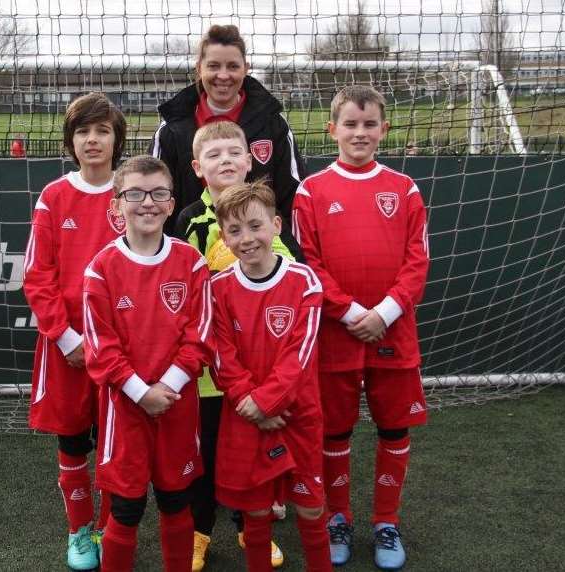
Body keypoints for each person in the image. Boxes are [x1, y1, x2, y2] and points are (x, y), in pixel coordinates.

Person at [291, 85, 430, 570]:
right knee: (336, 431)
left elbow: (418, 261)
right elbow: (309, 264)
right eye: (350, 124)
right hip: (336, 334)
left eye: (369, 124)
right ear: (332, 130)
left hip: (394, 333)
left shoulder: (405, 189)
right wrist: (351, 314)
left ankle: (386, 521)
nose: (360, 132)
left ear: (384, 130)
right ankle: (338, 517)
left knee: (394, 427)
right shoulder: (311, 191)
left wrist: (385, 314)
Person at [82, 155, 211, 571]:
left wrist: (166, 389)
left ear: (172, 204)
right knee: (127, 508)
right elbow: (101, 348)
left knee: (176, 500)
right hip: (125, 408)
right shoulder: (100, 269)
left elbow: (201, 336)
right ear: (117, 204)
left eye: (158, 194)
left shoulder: (191, 263)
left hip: (176, 405)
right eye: (134, 194)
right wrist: (141, 392)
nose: (147, 203)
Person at [176, 121, 289, 571]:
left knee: (250, 455)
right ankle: (199, 533)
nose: (225, 160)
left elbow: (296, 278)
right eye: (214, 153)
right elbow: (179, 288)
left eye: (233, 152)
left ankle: (251, 529)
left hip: (258, 369)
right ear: (197, 167)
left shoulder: (268, 217)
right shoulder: (190, 220)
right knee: (203, 457)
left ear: (250, 159)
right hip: (208, 374)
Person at [22, 92, 127, 571]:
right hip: (65, 345)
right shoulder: (54, 196)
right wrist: (66, 338)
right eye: (83, 131)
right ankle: (80, 530)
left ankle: (112, 526)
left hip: (121, 349)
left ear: (116, 140)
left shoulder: (131, 194)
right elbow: (37, 276)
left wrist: (111, 343)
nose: (92, 139)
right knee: (71, 440)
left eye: (102, 131)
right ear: (71, 140)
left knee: (114, 440)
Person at [210, 181, 332, 572]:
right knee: (256, 512)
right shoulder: (218, 289)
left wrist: (264, 403)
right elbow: (221, 356)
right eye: (234, 230)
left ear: (276, 225)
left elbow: (299, 355)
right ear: (224, 237)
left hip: (298, 416)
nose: (247, 239)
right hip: (247, 418)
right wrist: (253, 405)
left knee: (311, 509)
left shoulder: (304, 282)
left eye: (255, 226)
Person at [150, 23, 305, 250]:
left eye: (233, 66)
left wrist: (285, 254)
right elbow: (156, 195)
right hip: (191, 250)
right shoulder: (172, 128)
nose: (223, 75)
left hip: (259, 253)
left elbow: (293, 196)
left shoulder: (272, 123)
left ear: (246, 68)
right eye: (213, 66)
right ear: (199, 68)